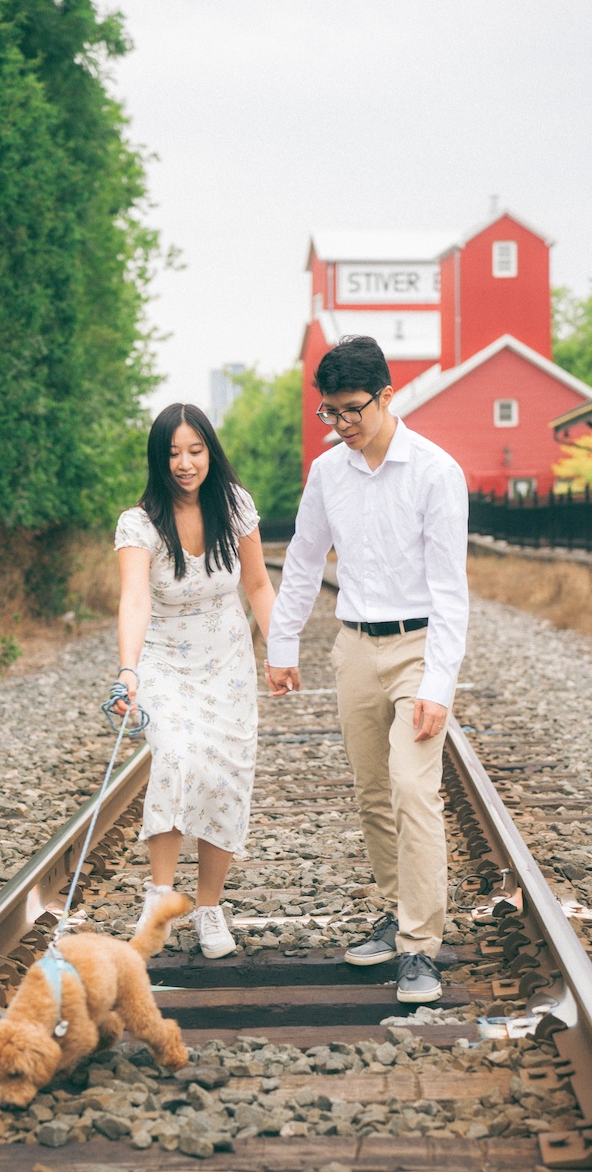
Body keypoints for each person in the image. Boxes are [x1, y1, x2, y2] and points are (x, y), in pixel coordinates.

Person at [266, 336, 469, 1002]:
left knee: (415, 791)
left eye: (351, 410)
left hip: (416, 646)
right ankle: (394, 909)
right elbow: (302, 561)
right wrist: (282, 644)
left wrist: (437, 684)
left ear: (386, 396)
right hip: (354, 647)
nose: (340, 424)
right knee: (372, 792)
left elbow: (450, 593)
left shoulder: (436, 472)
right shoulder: (328, 473)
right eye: (329, 412)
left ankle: (419, 948)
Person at [113, 403, 275, 958]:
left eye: (195, 450)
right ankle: (160, 895)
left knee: (227, 776)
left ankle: (209, 908)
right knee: (178, 756)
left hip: (228, 660)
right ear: (159, 460)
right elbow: (134, 596)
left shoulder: (235, 507)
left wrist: (279, 649)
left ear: (210, 451)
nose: (185, 463)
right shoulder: (139, 523)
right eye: (173, 453)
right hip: (163, 661)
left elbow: (257, 585)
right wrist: (129, 669)